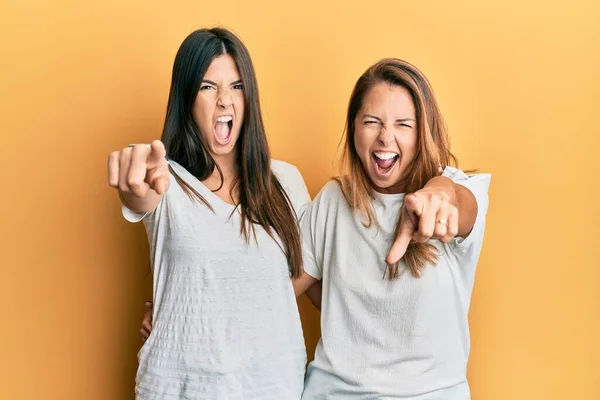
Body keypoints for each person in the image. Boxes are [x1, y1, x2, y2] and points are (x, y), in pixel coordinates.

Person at [108, 28, 313, 400]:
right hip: (180, 388)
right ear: (186, 99)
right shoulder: (167, 181)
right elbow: (140, 196)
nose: (224, 101)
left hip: (272, 386)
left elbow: (302, 274)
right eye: (207, 87)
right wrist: (134, 182)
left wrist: (208, 306)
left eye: (236, 86)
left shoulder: (285, 181)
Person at [295, 58, 491, 399]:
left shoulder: (455, 192)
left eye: (404, 124)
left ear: (423, 132)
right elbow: (281, 286)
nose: (386, 137)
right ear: (353, 127)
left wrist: (439, 194)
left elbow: (457, 201)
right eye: (372, 122)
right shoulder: (333, 200)